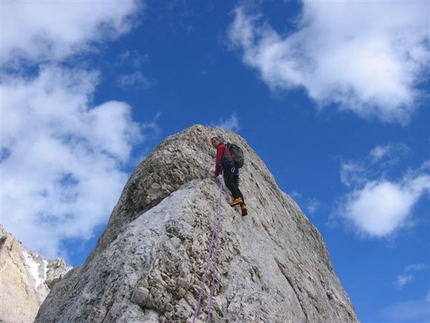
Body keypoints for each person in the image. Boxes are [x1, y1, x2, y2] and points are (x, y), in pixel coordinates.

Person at [211, 136, 247, 216]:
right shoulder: (226, 148)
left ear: (218, 141)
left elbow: (218, 162)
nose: (213, 144)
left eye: (214, 141)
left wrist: (216, 174)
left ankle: (237, 198)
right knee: (235, 186)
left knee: (229, 182)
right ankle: (243, 206)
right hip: (234, 167)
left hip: (228, 165)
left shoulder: (220, 147)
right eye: (212, 143)